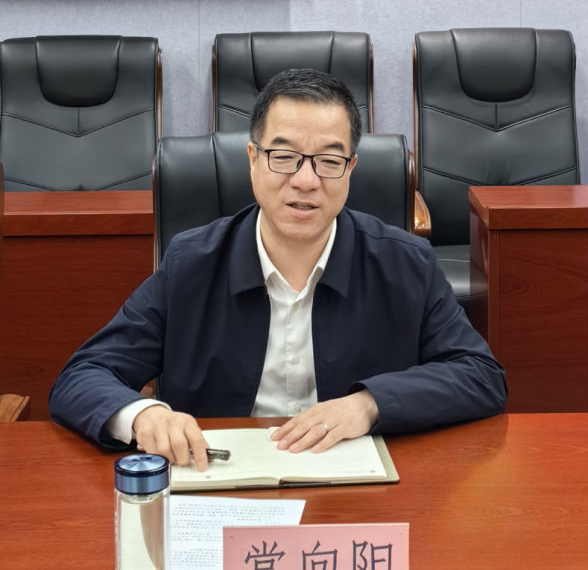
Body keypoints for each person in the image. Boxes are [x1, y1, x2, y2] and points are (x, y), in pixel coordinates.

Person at [49, 69, 506, 469]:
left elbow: (480, 376)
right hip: (220, 484)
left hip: (357, 492)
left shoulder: (405, 263)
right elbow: (82, 376)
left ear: (351, 168)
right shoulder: (192, 264)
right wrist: (143, 415)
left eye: (329, 161)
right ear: (253, 160)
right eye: (283, 157)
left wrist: (370, 405)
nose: (305, 180)